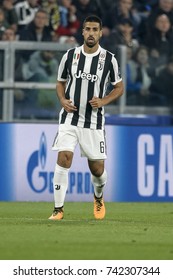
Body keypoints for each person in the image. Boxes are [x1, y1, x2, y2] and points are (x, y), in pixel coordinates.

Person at [49, 15, 124, 220]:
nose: (91, 33)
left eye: (95, 30)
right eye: (87, 29)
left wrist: (104, 101)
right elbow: (60, 82)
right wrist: (63, 100)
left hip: (94, 122)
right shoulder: (70, 55)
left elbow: (119, 88)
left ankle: (98, 197)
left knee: (97, 169)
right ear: (82, 32)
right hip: (69, 118)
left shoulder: (109, 59)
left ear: (100, 33)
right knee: (64, 156)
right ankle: (58, 209)